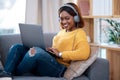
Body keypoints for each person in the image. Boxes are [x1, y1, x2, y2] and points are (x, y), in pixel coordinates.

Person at [0, 2, 90, 78]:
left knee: (35, 52)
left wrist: (60, 54)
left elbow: (84, 53)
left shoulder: (79, 33)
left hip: (59, 69)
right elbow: (57, 51)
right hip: (50, 62)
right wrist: (50, 52)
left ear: (76, 18)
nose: (64, 22)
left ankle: (12, 73)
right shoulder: (62, 32)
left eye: (67, 18)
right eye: (61, 19)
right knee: (17, 47)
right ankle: (6, 75)